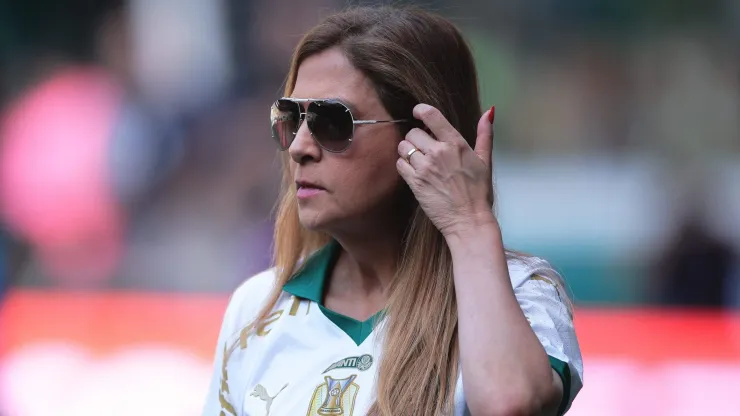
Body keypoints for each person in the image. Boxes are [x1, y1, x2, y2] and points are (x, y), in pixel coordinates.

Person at [202, 6, 583, 416]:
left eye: (333, 121)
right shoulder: (257, 305)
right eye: (291, 119)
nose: (299, 147)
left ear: (426, 141)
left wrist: (470, 223)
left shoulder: (522, 291)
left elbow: (511, 405)